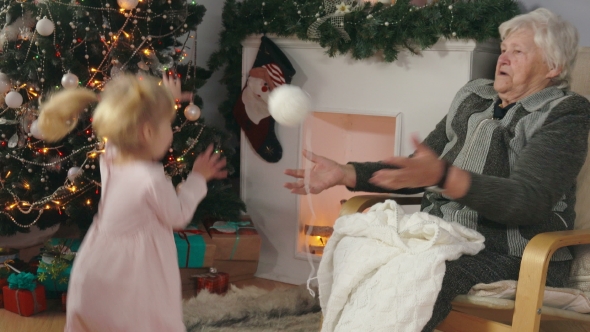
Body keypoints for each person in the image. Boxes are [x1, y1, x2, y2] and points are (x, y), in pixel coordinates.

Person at [285, 8, 590, 331]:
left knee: (417, 271)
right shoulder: (474, 97)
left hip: (512, 253)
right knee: (359, 248)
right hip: (444, 236)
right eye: (503, 49)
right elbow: (418, 168)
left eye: (518, 51)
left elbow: (527, 200)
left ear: (553, 67)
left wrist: (444, 176)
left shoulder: (565, 112)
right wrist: (348, 173)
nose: (504, 58)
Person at [37, 74, 227, 331]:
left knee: (102, 320)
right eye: (168, 125)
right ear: (149, 132)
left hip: (99, 265)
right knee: (142, 320)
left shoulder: (112, 156)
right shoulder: (151, 179)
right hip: (135, 275)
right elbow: (178, 216)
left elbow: (129, 122)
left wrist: (164, 102)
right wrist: (197, 179)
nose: (171, 132)